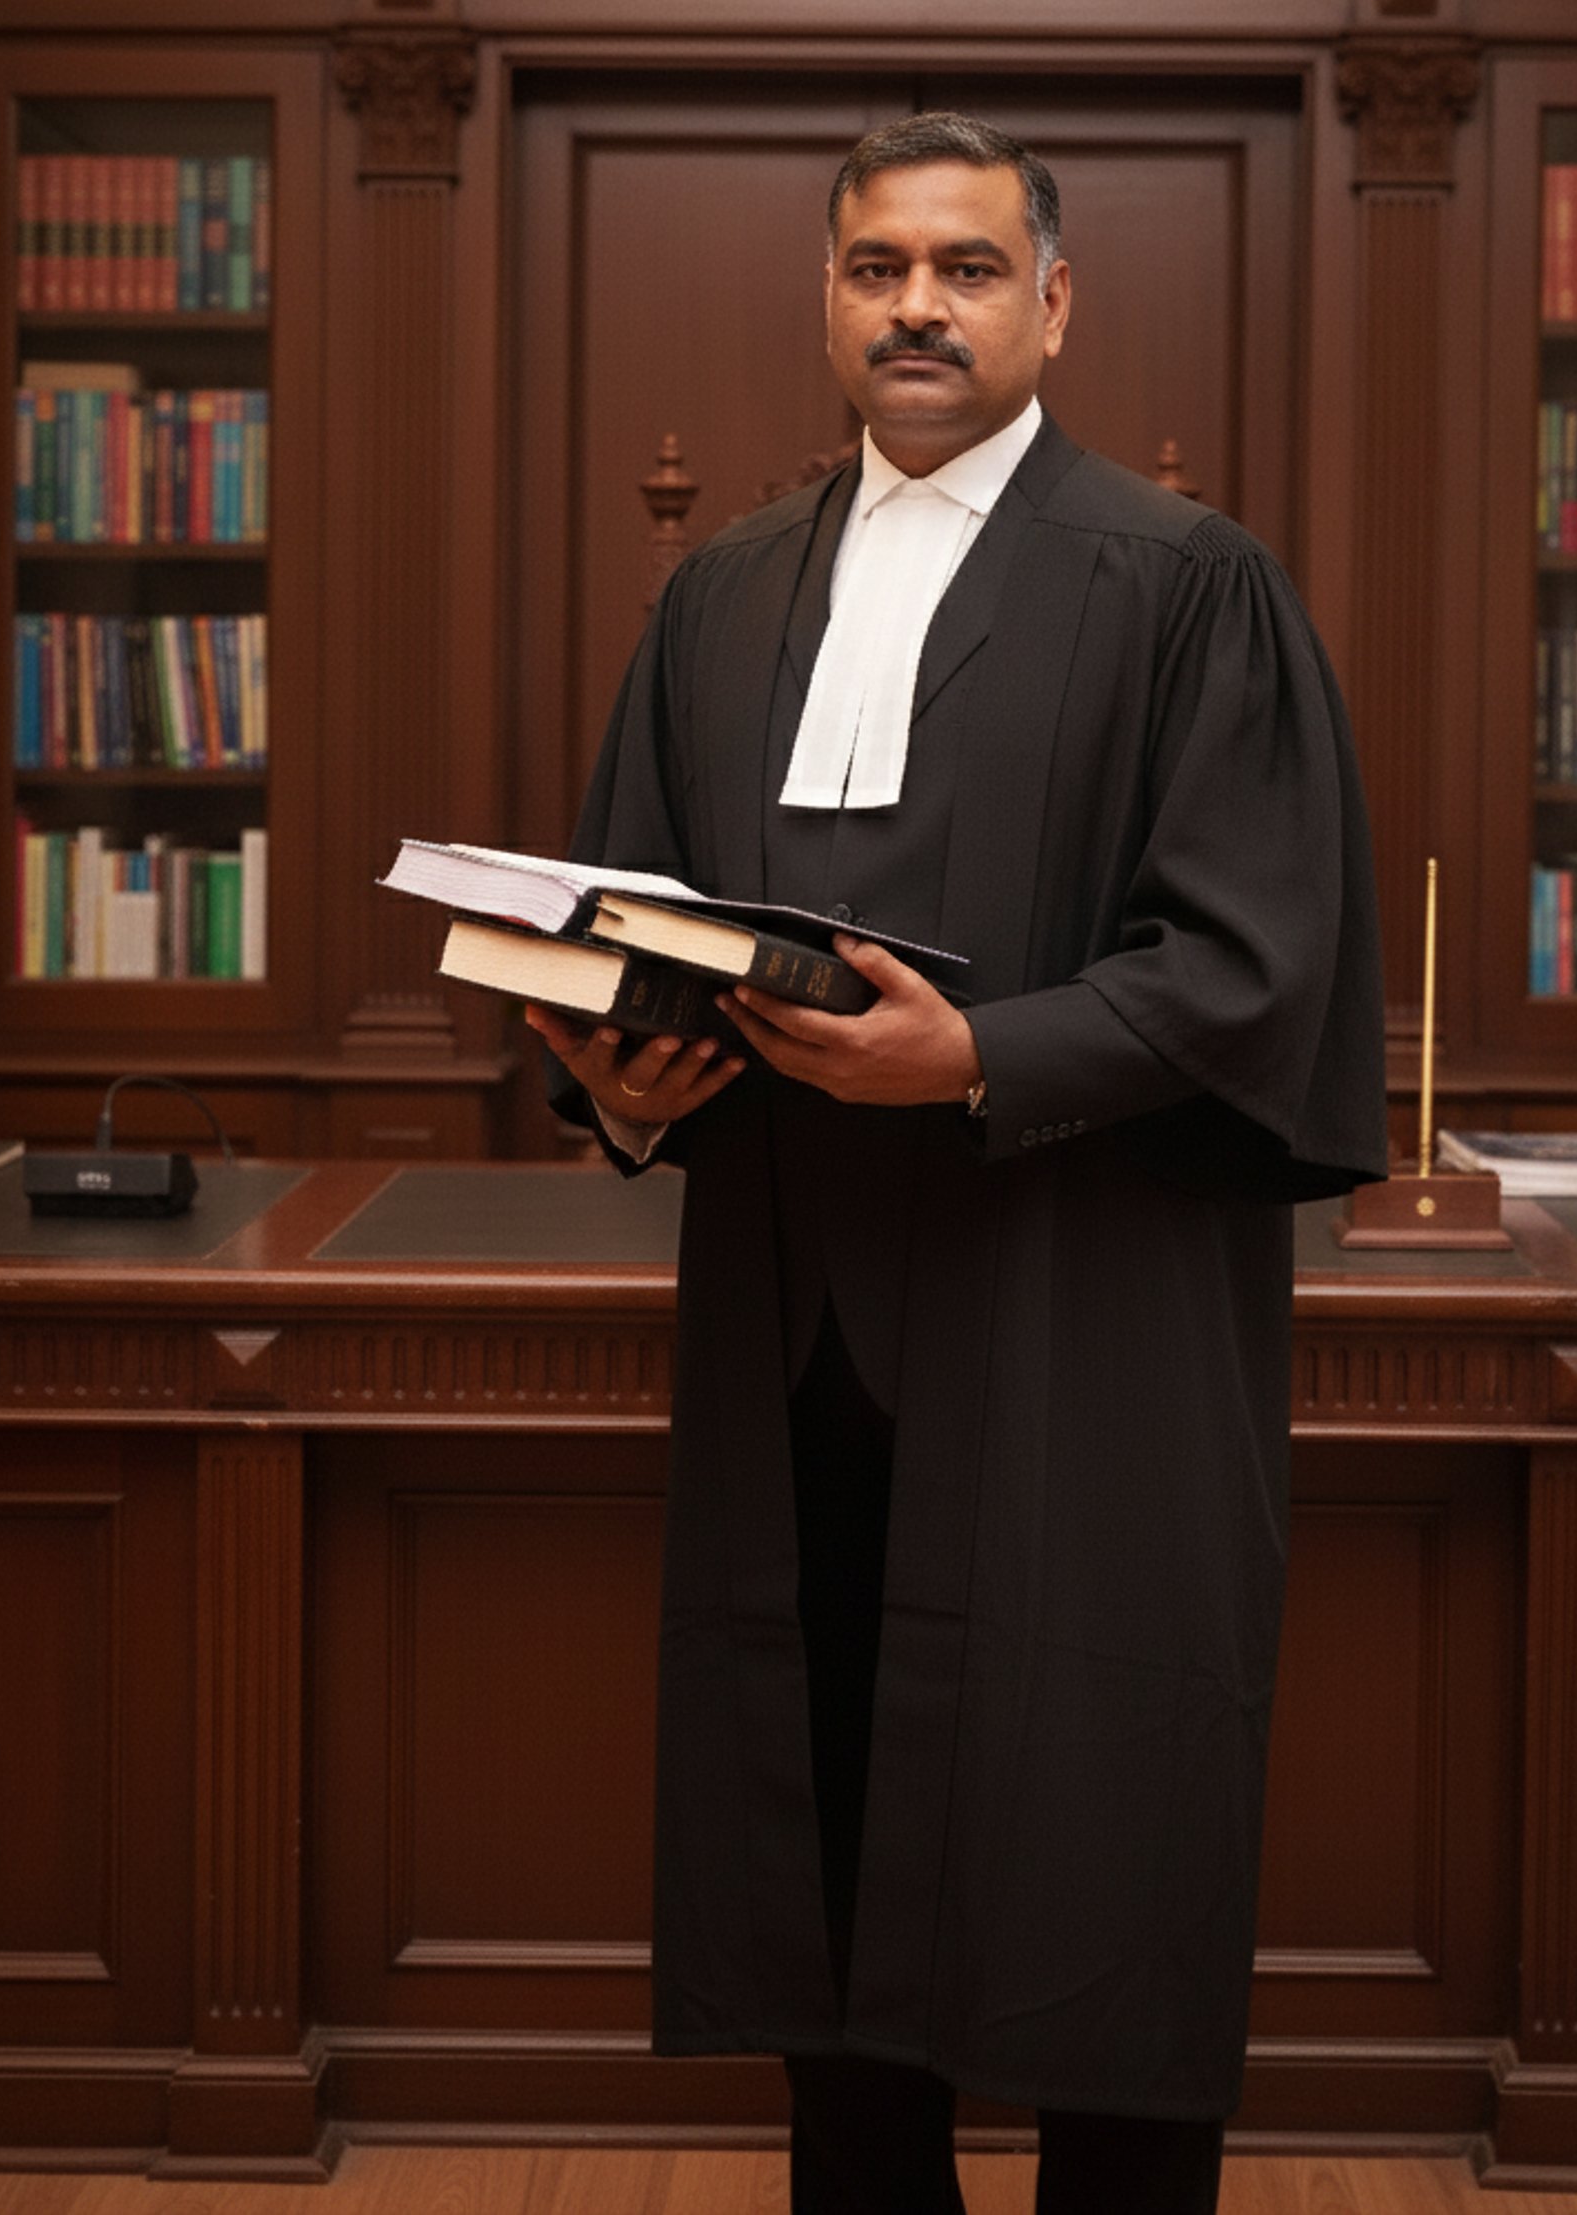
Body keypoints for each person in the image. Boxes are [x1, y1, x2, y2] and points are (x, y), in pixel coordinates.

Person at [530, 112, 1387, 2214]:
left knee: (1101, 1830)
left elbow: (1252, 964)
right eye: (878, 267)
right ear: (827, 299)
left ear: (1054, 304)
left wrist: (978, 1056)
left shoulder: (1192, 585)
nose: (919, 306)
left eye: (970, 268)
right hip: (802, 1322)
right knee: (821, 1824)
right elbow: (632, 919)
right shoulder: (723, 592)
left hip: (1086, 1314)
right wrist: (627, 1088)